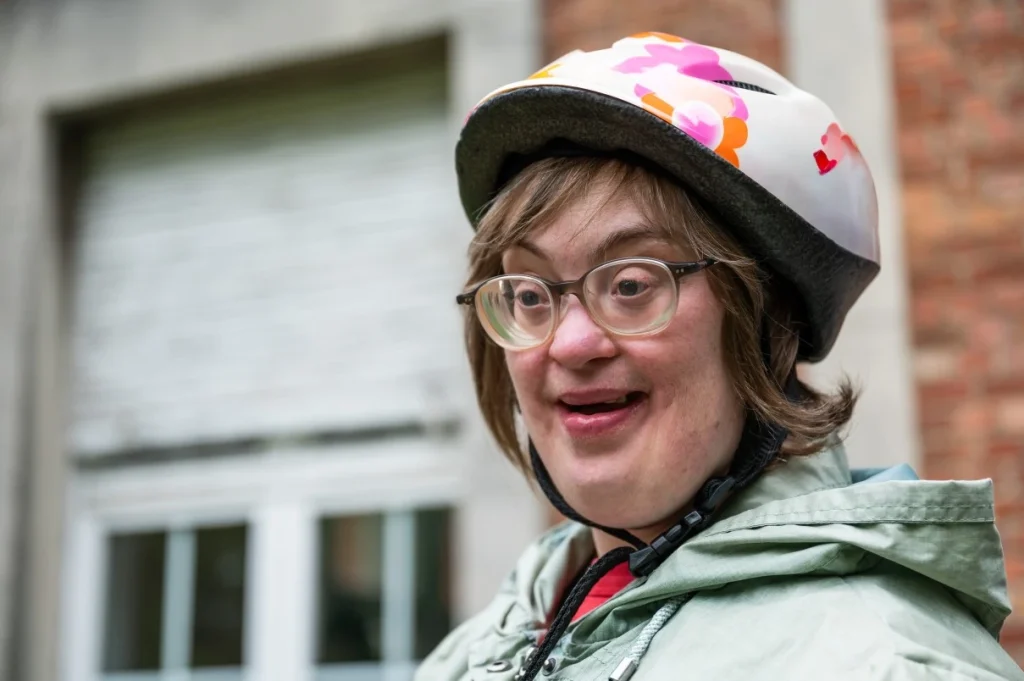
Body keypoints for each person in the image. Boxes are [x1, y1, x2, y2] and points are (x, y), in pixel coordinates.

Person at [417, 32, 1024, 681]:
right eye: (531, 293)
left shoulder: (882, 663)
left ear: (765, 321)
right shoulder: (482, 650)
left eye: (630, 285)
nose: (569, 343)